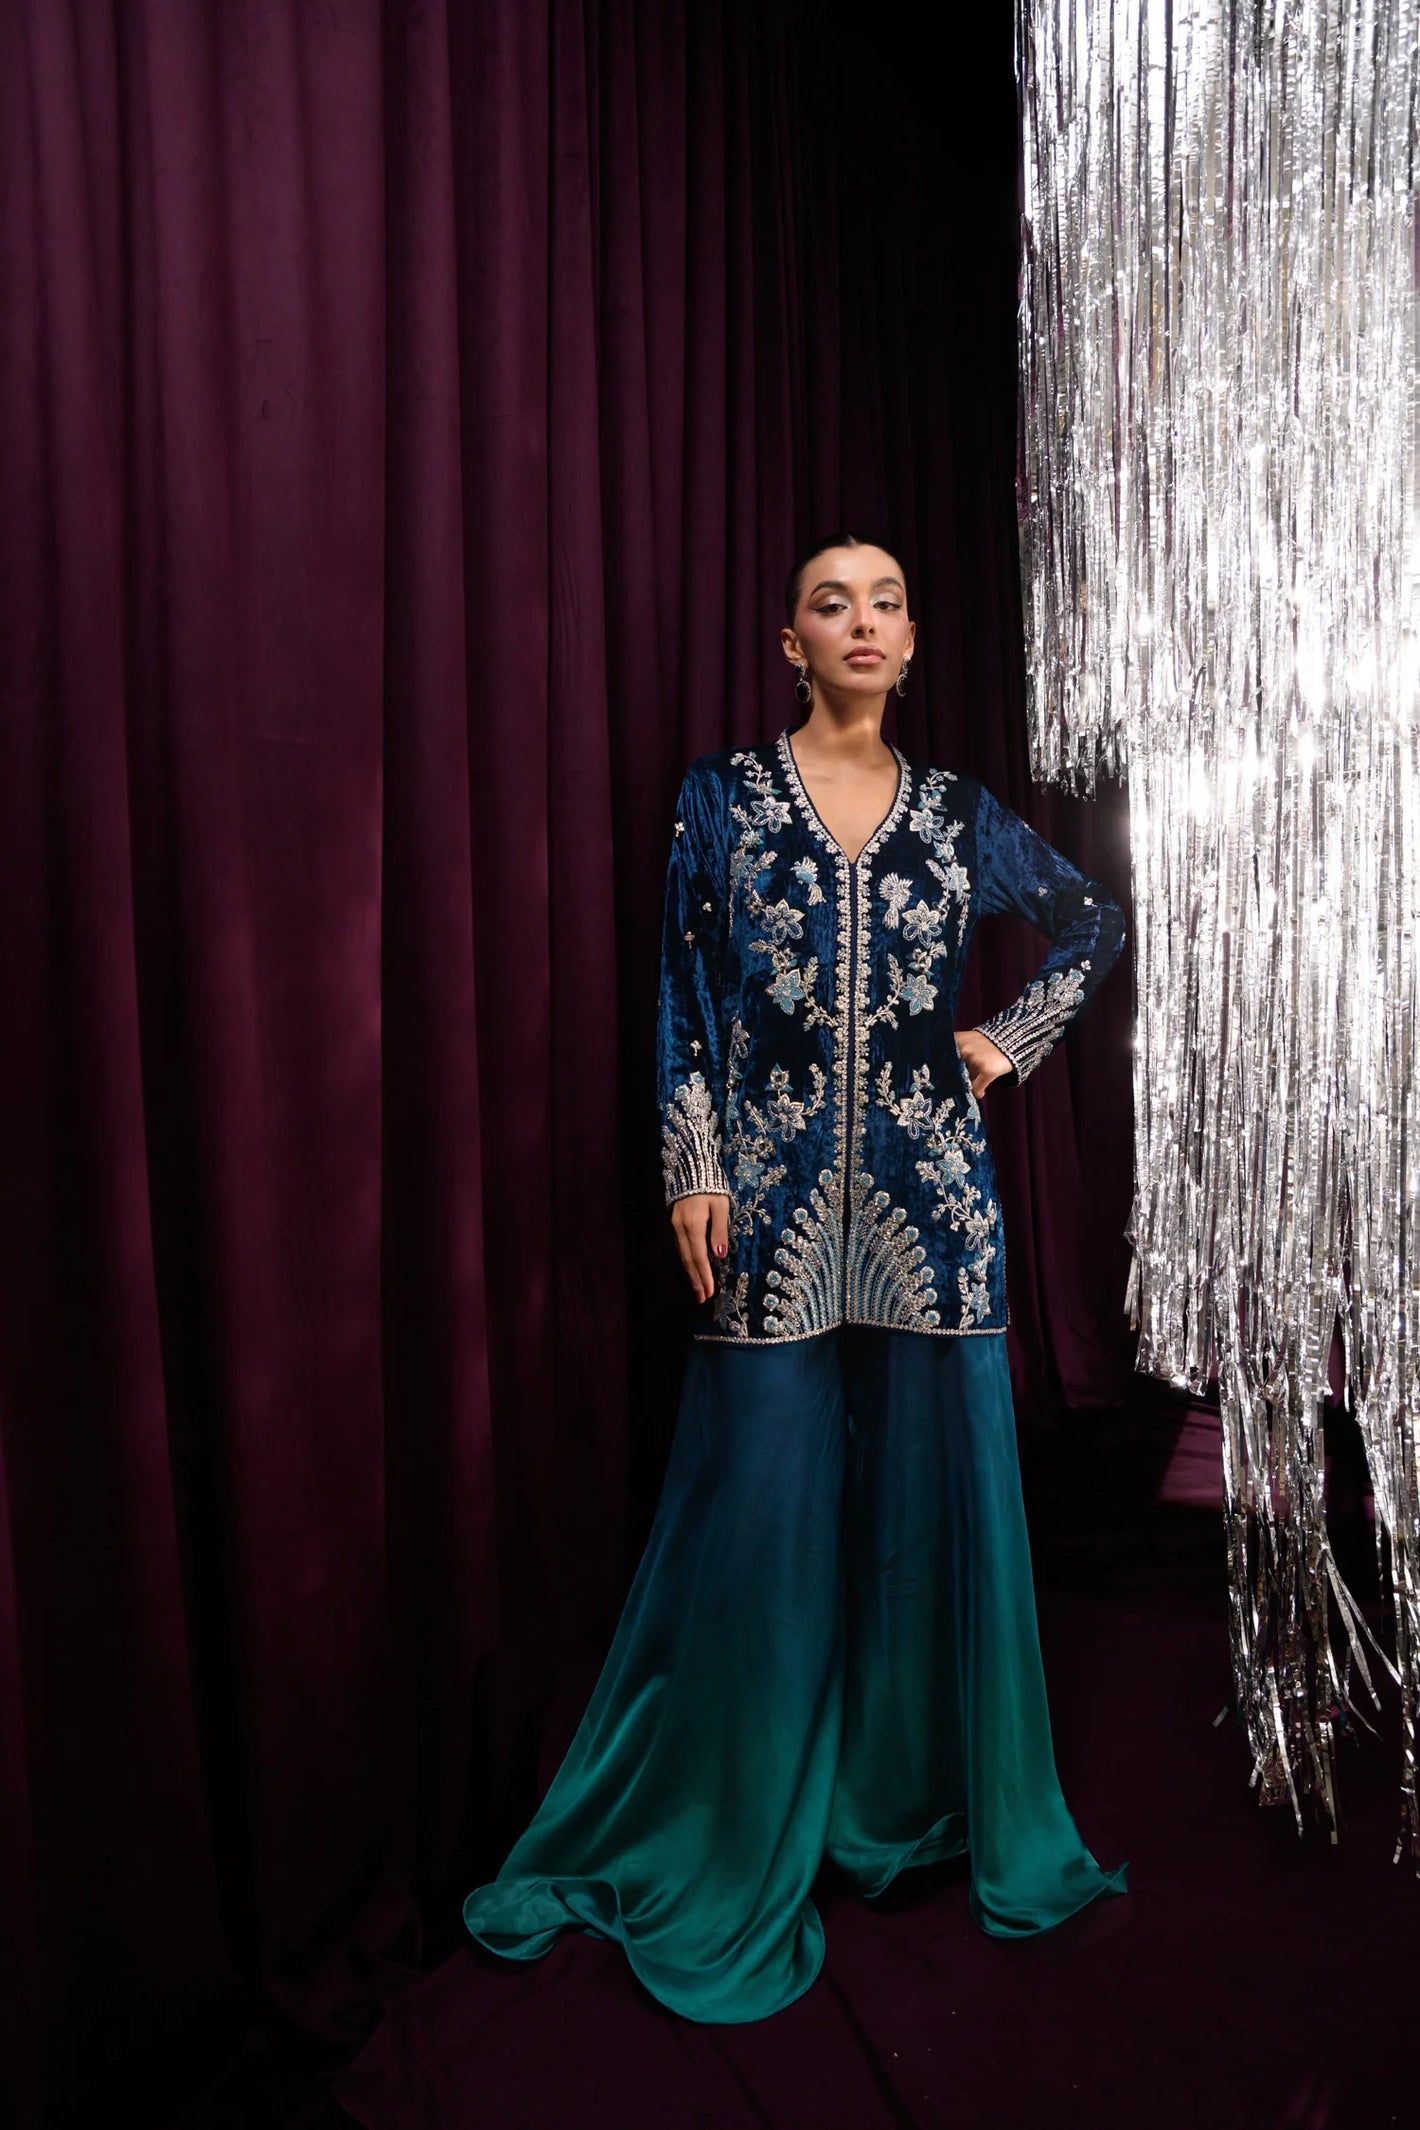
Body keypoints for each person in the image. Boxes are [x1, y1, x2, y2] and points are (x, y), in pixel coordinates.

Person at [462, 533, 1130, 2023]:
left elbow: (1094, 924)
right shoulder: (723, 799)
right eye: (835, 603)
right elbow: (685, 993)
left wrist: (1004, 1041)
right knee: (759, 1511)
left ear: (912, 638)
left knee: (928, 1516)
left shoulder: (959, 815)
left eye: (888, 601)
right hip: (767, 1202)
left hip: (932, 1212)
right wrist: (691, 1162)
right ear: (792, 644)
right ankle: (740, 1814)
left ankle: (903, 1804)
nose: (864, 621)